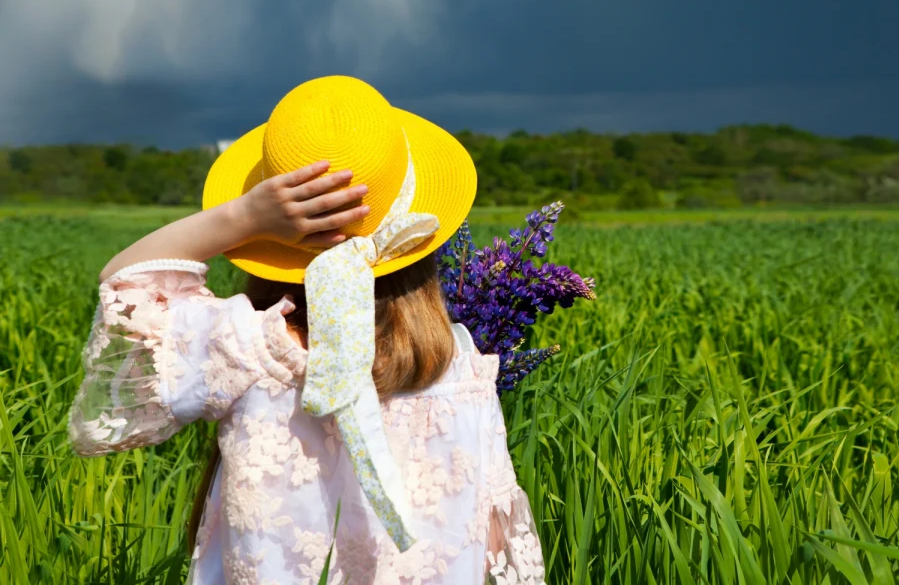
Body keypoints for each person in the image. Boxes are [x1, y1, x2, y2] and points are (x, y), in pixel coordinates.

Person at [69, 76, 546, 584]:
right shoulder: (459, 365)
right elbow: (495, 538)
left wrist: (243, 216)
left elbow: (125, 286)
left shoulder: (244, 349)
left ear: (271, 249)